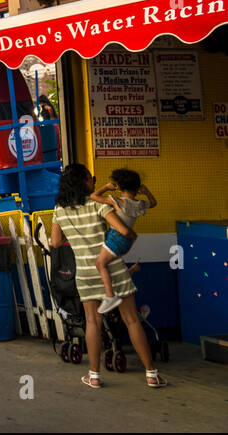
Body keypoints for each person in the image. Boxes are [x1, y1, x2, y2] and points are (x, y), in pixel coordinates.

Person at [51, 163, 166, 390]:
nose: (93, 181)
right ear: (83, 181)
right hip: (113, 268)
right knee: (132, 320)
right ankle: (152, 375)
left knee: (92, 322)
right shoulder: (97, 204)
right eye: (90, 178)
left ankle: (94, 376)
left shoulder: (59, 209)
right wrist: (131, 237)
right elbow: (121, 229)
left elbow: (55, 242)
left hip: (85, 273)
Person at [90, 168, 157, 314]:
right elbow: (153, 203)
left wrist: (107, 187)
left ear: (119, 186)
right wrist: (146, 192)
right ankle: (111, 292)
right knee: (110, 265)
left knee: (100, 264)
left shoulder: (116, 201)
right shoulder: (139, 204)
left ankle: (110, 296)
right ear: (137, 187)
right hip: (127, 243)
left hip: (116, 238)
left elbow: (94, 196)